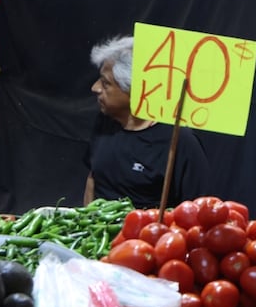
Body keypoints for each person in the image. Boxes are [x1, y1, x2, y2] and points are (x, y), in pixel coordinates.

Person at [84, 35, 212, 209]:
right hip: (99, 233)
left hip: (148, 234)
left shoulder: (180, 140)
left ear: (133, 90)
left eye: (106, 83)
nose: (95, 88)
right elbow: (93, 178)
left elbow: (197, 208)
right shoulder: (105, 121)